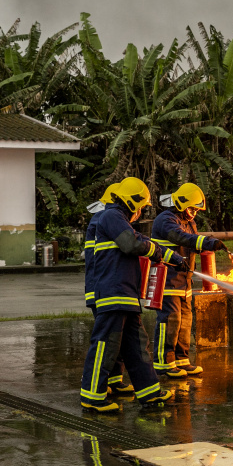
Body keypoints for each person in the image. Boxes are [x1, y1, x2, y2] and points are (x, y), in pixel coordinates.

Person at [80, 177, 189, 412]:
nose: (140, 212)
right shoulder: (110, 217)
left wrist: (172, 258)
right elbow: (131, 244)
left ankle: (149, 392)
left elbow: (139, 242)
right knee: (105, 345)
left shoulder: (119, 219)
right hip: (113, 294)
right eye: (140, 207)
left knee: (137, 346)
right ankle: (92, 397)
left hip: (126, 295)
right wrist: (160, 252)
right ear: (131, 203)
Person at [150, 183, 227, 378]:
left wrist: (206, 243)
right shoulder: (165, 220)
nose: (194, 213)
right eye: (192, 208)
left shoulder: (188, 221)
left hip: (185, 281)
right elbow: (182, 238)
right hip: (167, 279)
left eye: (196, 210)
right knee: (170, 320)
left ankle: (181, 359)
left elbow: (192, 242)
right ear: (181, 203)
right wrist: (207, 241)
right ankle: (163, 362)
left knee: (185, 321)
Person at [84, 182, 133, 397]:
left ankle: (114, 380)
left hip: (104, 286)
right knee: (109, 339)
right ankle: (96, 389)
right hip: (103, 289)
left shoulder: (103, 217)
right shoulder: (103, 219)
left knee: (117, 338)